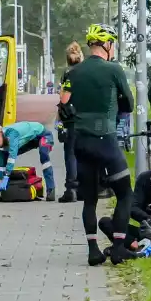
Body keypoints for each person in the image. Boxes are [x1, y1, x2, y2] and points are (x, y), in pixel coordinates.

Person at [60, 23, 136, 266]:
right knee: (125, 193)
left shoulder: (73, 73)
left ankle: (93, 250)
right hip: (106, 141)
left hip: (81, 142)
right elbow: (129, 104)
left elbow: (64, 108)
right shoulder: (114, 69)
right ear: (108, 44)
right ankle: (117, 248)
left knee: (90, 199)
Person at [0, 122, 57, 201]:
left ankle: (51, 189)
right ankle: (3, 192)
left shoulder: (11, 133)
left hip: (42, 135)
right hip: (28, 141)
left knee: (44, 156)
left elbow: (12, 157)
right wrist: (0, 187)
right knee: (2, 157)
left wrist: (6, 176)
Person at [55, 42, 84, 203]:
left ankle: (71, 189)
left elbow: (64, 98)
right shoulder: (87, 71)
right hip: (88, 117)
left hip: (72, 119)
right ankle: (84, 189)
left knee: (71, 154)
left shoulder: (68, 73)